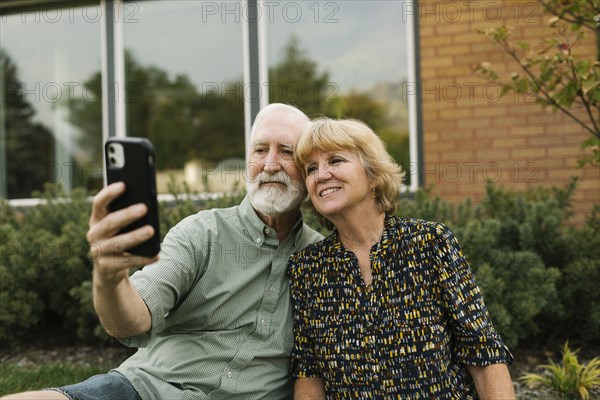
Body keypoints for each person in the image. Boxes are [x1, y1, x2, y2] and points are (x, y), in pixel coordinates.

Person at [2, 103, 323, 400]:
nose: (269, 164)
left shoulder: (320, 257)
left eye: (285, 152)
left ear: (307, 167)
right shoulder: (201, 233)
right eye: (260, 150)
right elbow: (131, 320)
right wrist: (109, 277)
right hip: (150, 389)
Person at [288, 118, 515, 399]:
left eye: (335, 160)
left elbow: (483, 353)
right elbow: (310, 372)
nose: (321, 175)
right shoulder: (308, 269)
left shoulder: (429, 244)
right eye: (311, 169)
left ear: (373, 176)